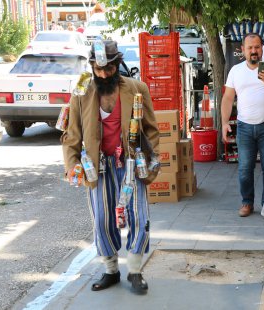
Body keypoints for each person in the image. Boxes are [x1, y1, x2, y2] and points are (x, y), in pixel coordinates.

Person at [61, 40, 159, 295]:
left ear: (117, 65)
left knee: (139, 216)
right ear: (92, 66)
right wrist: (72, 164)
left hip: (131, 165)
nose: (104, 74)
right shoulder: (81, 94)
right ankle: (111, 270)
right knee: (103, 220)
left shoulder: (137, 89)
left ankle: (136, 271)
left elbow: (151, 129)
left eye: (109, 69)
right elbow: (72, 135)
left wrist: (148, 159)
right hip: (98, 167)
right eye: (98, 69)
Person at [221, 33, 264, 217]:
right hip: (245, 127)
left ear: (262, 48)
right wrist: (224, 123)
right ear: (243, 50)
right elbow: (228, 98)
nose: (254, 51)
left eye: (257, 47)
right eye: (250, 48)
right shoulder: (235, 71)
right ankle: (247, 202)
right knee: (245, 168)